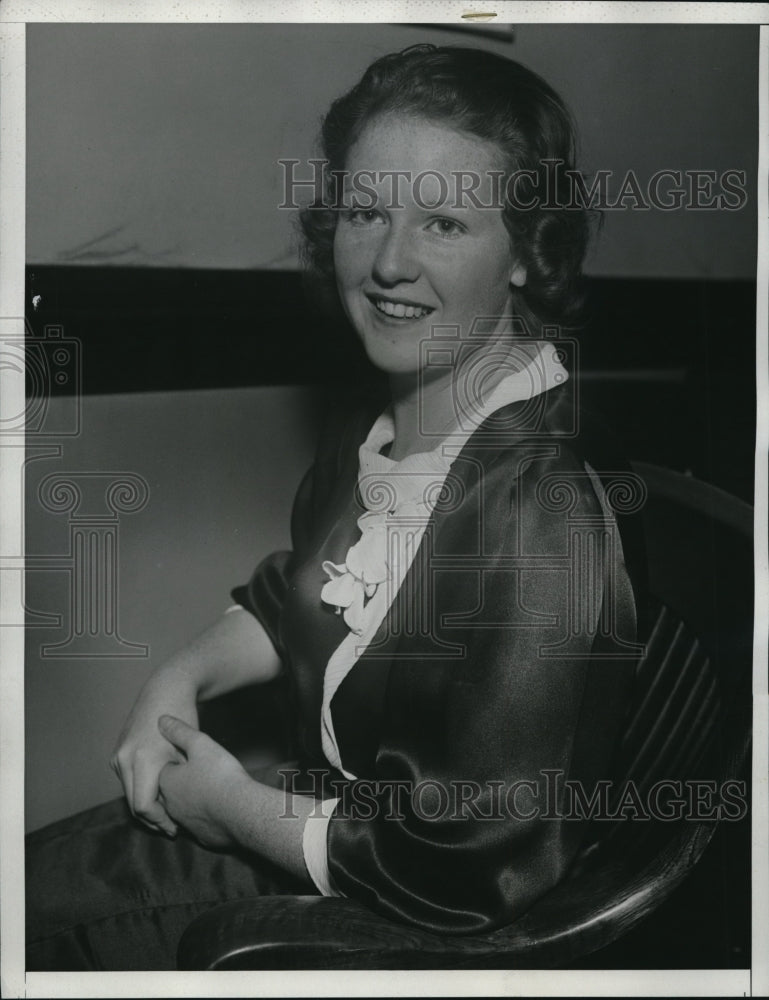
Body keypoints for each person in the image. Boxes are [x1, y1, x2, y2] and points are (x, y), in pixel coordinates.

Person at [26, 44, 643, 970]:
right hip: (324, 830)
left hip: (406, 921)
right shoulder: (394, 423)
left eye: (442, 222)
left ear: (526, 250)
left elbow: (472, 870)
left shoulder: (536, 514)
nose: (389, 261)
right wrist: (178, 677)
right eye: (364, 212)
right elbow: (300, 597)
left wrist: (234, 807)